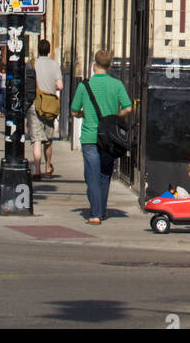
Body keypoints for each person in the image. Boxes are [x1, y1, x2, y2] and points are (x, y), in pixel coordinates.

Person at [70, 49, 132, 225]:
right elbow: (128, 108)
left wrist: (83, 114)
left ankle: (96, 213)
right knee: (105, 175)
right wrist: (116, 117)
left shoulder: (84, 85)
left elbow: (74, 111)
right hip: (109, 138)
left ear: (94, 64)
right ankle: (102, 210)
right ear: (109, 65)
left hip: (90, 136)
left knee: (92, 176)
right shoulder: (117, 84)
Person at [26, 39, 64, 179]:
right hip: (49, 106)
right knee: (48, 140)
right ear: (49, 50)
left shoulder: (32, 64)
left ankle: (37, 170)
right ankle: (48, 168)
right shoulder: (54, 64)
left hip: (35, 105)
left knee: (36, 140)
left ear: (38, 50)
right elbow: (60, 86)